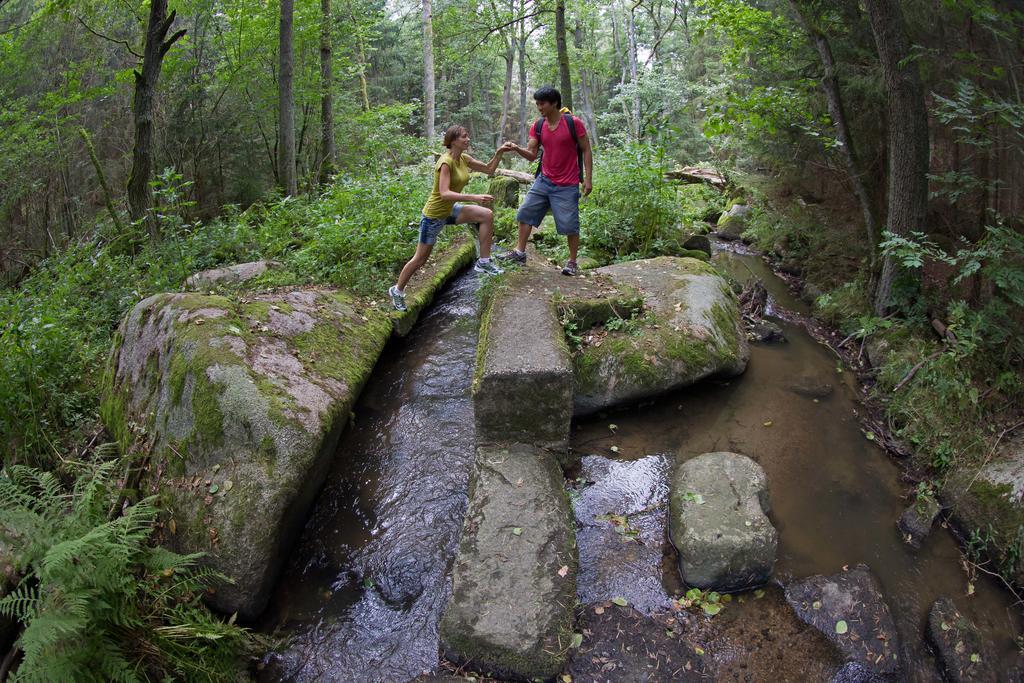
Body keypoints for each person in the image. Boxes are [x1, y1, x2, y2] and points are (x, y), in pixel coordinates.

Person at [389, 125, 507, 312]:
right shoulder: (445, 162)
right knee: (420, 259)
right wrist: (474, 197)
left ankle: (484, 262)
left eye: (467, 136)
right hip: (434, 216)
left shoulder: (463, 159)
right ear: (453, 141)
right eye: (464, 136)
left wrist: (499, 152)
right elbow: (444, 193)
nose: (468, 139)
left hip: (450, 210)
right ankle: (397, 290)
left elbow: (489, 169)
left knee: (486, 215)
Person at [500, 86, 593, 275]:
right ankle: (519, 252)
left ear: (554, 103)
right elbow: (532, 155)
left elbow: (586, 149)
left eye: (542, 103)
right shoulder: (539, 126)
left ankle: (572, 262)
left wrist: (588, 179)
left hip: (567, 183)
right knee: (525, 213)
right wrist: (517, 148)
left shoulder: (573, 123)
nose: (539, 107)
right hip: (544, 179)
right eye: (537, 103)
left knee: (569, 224)